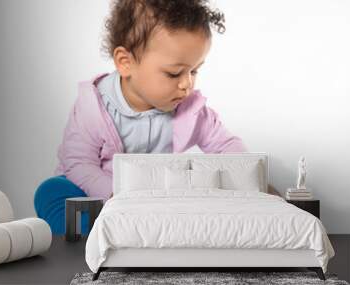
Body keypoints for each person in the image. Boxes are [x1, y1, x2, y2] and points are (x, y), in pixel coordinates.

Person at [34, 0, 248, 235]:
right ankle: (95, 231)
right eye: (174, 73)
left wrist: (248, 174)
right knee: (51, 191)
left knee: (195, 194)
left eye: (194, 70)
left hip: (152, 199)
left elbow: (226, 145)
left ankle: (136, 232)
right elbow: (79, 163)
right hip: (96, 193)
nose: (187, 84)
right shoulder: (93, 106)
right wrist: (116, 195)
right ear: (126, 63)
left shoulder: (190, 109)